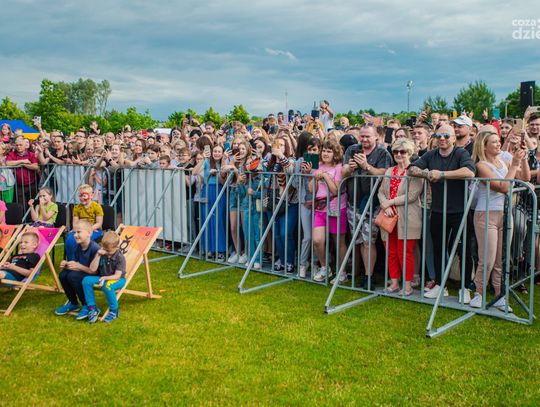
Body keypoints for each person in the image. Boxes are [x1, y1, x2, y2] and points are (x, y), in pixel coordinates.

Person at [408, 124, 476, 299]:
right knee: (438, 248)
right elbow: (411, 169)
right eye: (439, 136)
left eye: (446, 135)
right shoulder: (431, 154)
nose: (442, 139)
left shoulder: (461, 153)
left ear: (453, 138)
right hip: (438, 210)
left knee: (464, 251)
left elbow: (469, 172)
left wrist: (442, 175)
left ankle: (465, 288)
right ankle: (440, 284)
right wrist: (427, 174)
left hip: (460, 211)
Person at [469, 126, 529, 311]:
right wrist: (514, 165)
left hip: (505, 214)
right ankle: (479, 293)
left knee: (501, 259)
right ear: (484, 146)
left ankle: (499, 295)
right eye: (494, 142)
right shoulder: (481, 166)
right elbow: (503, 187)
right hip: (486, 214)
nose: (498, 144)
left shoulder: (504, 161)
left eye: (498, 141)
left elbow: (525, 178)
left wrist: (523, 159)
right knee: (487, 258)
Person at [342, 124, 393, 289]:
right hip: (353, 203)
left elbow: (385, 173)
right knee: (357, 240)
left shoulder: (383, 153)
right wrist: (349, 169)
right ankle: (360, 273)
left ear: (376, 136)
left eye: (367, 136)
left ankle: (369, 277)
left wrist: (366, 166)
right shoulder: (352, 149)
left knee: (368, 241)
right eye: (362, 136)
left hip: (373, 204)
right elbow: (343, 171)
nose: (364, 139)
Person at [377, 139, 424, 295]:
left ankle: (408, 285)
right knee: (390, 251)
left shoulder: (415, 171)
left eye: (402, 151)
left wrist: (390, 202)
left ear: (409, 153)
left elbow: (412, 195)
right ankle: (394, 282)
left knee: (405, 252)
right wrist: (385, 206)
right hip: (388, 216)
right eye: (395, 151)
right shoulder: (389, 171)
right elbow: (380, 192)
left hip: (407, 217)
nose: (398, 154)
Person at [310, 139, 348, 283]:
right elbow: (311, 189)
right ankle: (325, 267)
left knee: (339, 242)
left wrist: (325, 176)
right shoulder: (318, 165)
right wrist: (314, 178)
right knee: (317, 240)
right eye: (324, 151)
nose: (325, 154)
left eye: (329, 151)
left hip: (336, 208)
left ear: (335, 153)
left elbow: (336, 190)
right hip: (320, 209)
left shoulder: (339, 167)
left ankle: (342, 272)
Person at [55, 220, 101, 319]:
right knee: (63, 275)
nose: (75, 235)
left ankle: (86, 304)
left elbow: (94, 271)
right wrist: (66, 264)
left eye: (79, 232)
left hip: (96, 275)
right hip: (83, 271)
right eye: (74, 232)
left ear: (89, 233)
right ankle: (73, 303)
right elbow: (75, 263)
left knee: (73, 276)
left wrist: (78, 266)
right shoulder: (77, 247)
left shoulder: (95, 248)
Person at [83, 231, 127, 323]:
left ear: (116, 247)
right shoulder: (102, 253)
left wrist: (104, 278)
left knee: (107, 286)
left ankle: (114, 311)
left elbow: (117, 276)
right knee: (86, 280)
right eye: (104, 249)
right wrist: (98, 255)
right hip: (103, 277)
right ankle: (92, 308)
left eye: (108, 251)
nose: (106, 252)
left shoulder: (120, 257)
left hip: (118, 279)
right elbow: (92, 269)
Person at [64, 184, 104, 261]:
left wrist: (88, 229)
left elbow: (99, 223)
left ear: (91, 196)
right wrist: (79, 230)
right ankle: (72, 261)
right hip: (79, 229)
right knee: (70, 240)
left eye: (84, 195)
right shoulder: (77, 208)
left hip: (94, 230)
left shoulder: (97, 207)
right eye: (80, 196)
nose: (82, 198)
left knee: (84, 239)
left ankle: (84, 261)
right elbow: (75, 223)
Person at [6, 136, 39, 204]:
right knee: (21, 204)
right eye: (17, 145)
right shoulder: (11, 154)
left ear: (25, 146)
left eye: (20, 145)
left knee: (33, 203)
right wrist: (22, 161)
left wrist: (24, 165)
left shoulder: (31, 154)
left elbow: (35, 166)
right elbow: (8, 163)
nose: (18, 147)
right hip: (19, 185)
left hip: (32, 184)